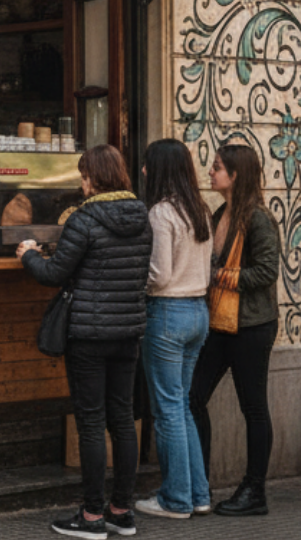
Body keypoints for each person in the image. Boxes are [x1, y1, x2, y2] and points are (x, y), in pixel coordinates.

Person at [17, 144, 152, 540]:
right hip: (128, 332)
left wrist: (28, 255)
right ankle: (121, 511)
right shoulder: (142, 217)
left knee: (91, 423)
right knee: (123, 420)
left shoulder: (85, 218)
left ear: (95, 178)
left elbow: (54, 273)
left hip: (90, 336)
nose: (81, 182)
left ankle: (92, 517)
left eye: (84, 175)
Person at [188, 143, 281, 517]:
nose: (210, 172)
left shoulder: (257, 218)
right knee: (193, 398)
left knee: (254, 408)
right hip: (219, 323)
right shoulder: (220, 212)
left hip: (252, 326)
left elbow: (267, 271)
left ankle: (254, 491)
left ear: (236, 174)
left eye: (217, 167)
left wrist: (222, 276)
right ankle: (200, 482)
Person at [133, 139, 213, 520]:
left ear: (161, 168)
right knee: (181, 407)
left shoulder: (161, 213)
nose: (144, 170)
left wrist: (136, 282)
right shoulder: (199, 209)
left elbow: (159, 275)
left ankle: (176, 499)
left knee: (167, 409)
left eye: (148, 164)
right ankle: (197, 494)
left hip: (167, 314)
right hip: (198, 312)